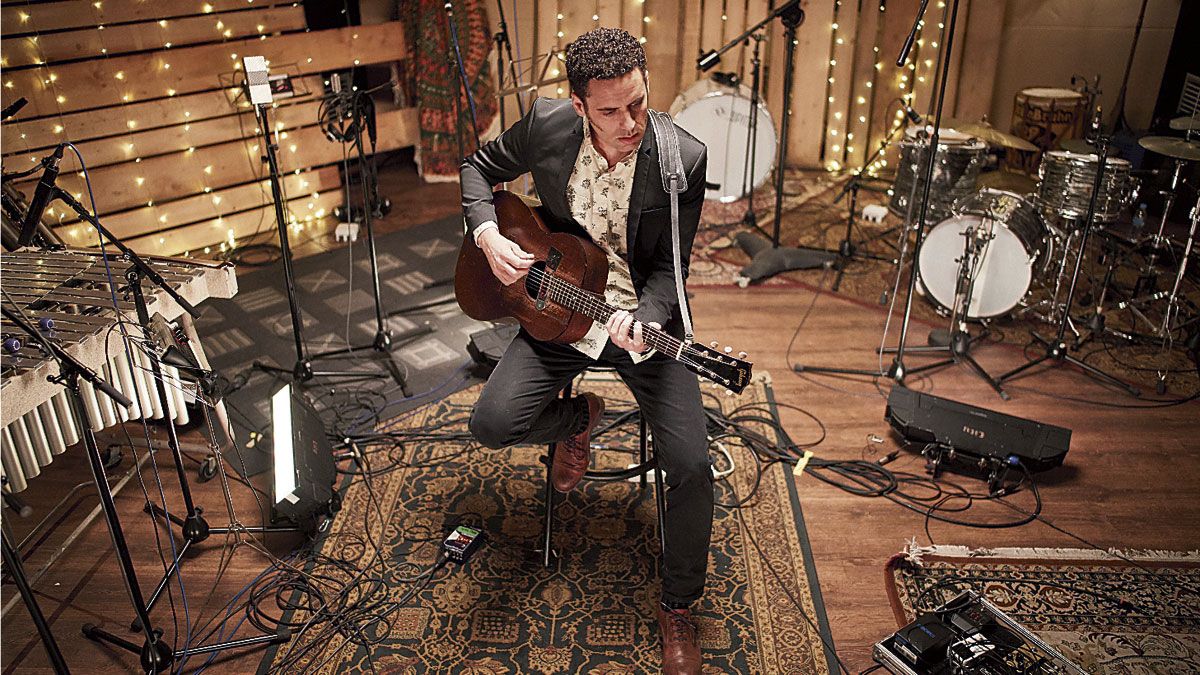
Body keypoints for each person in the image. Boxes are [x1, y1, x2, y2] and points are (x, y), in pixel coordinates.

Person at [459, 26, 710, 675]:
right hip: (559, 308)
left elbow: (670, 273)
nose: (629, 123)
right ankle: (580, 419)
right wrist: (487, 232)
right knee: (490, 422)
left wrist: (646, 319)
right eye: (609, 110)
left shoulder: (683, 156)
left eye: (637, 102)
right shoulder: (544, 127)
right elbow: (477, 170)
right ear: (577, 105)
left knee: (690, 462)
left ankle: (678, 604)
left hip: (640, 322)